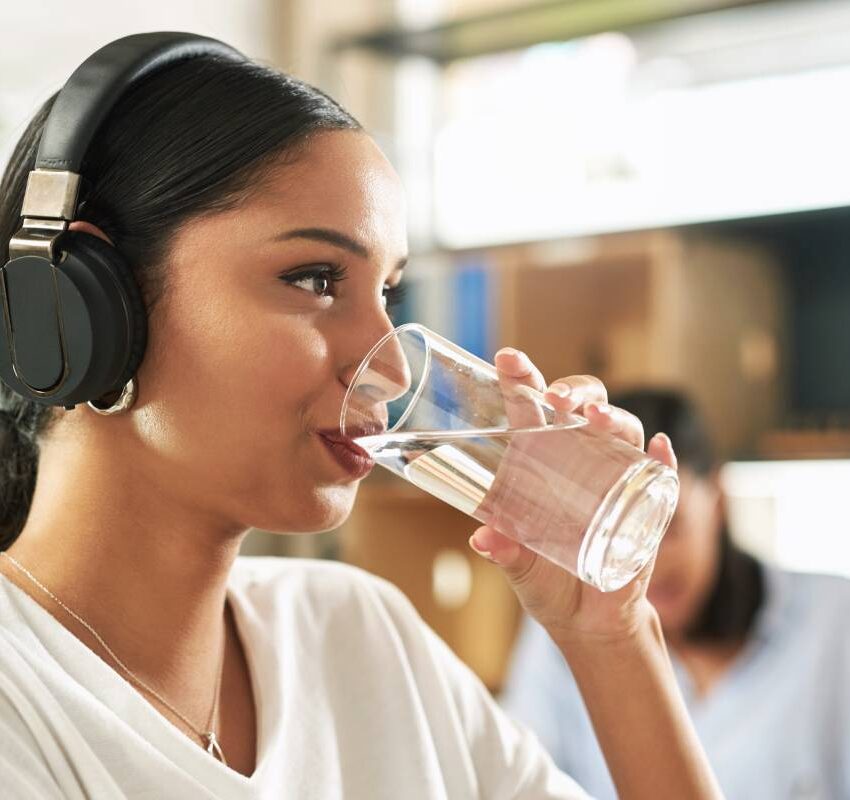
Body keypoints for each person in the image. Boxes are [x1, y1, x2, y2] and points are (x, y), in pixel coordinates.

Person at [0, 33, 721, 799]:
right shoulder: (22, 703)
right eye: (314, 279)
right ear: (79, 308)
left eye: (390, 295)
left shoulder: (361, 634)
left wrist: (611, 639)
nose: (395, 364)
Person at [501, 389, 850, 799]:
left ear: (718, 498)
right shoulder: (561, 628)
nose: (645, 565)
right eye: (616, 533)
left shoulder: (834, 621)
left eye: (667, 526)